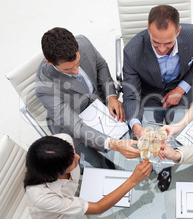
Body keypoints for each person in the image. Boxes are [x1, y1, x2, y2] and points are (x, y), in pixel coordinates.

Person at [36, 27, 139, 168]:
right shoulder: (44, 88)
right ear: (49, 62)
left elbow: (101, 65)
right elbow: (76, 127)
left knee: (135, 130)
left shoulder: (83, 43)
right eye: (68, 69)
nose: (76, 71)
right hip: (75, 125)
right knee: (101, 164)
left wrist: (111, 96)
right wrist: (114, 144)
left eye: (77, 63)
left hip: (101, 105)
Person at [24, 133, 152, 219]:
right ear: (56, 173)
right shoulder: (41, 197)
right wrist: (133, 180)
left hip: (78, 195)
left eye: (73, 152)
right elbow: (98, 208)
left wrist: (117, 145)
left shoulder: (64, 140)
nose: (78, 157)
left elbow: (82, 133)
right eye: (71, 162)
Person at [122, 5, 193, 139]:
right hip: (150, 92)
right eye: (155, 42)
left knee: (182, 137)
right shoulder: (132, 52)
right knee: (149, 137)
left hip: (181, 88)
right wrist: (137, 127)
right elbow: (131, 95)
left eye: (168, 43)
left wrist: (180, 89)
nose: (161, 49)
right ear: (148, 29)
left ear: (178, 31)